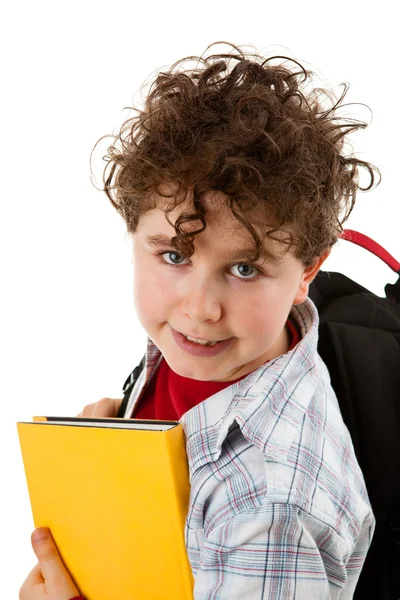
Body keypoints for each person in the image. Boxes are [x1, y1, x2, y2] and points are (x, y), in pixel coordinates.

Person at [19, 42, 378, 599]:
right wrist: (119, 455)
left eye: (243, 267)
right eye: (174, 256)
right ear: (134, 236)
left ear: (308, 270)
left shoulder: (268, 506)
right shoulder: (206, 351)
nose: (199, 309)